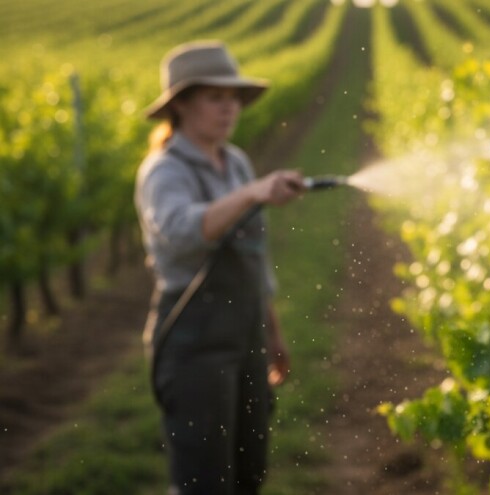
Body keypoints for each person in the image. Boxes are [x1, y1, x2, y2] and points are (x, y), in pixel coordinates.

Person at [135, 40, 303, 494]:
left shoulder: (235, 162)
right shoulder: (164, 171)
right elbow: (183, 231)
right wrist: (251, 193)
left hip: (244, 328)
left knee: (249, 469)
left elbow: (253, 256)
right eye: (215, 97)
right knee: (204, 480)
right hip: (193, 336)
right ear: (181, 105)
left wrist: (271, 331)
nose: (229, 108)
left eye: (234, 98)